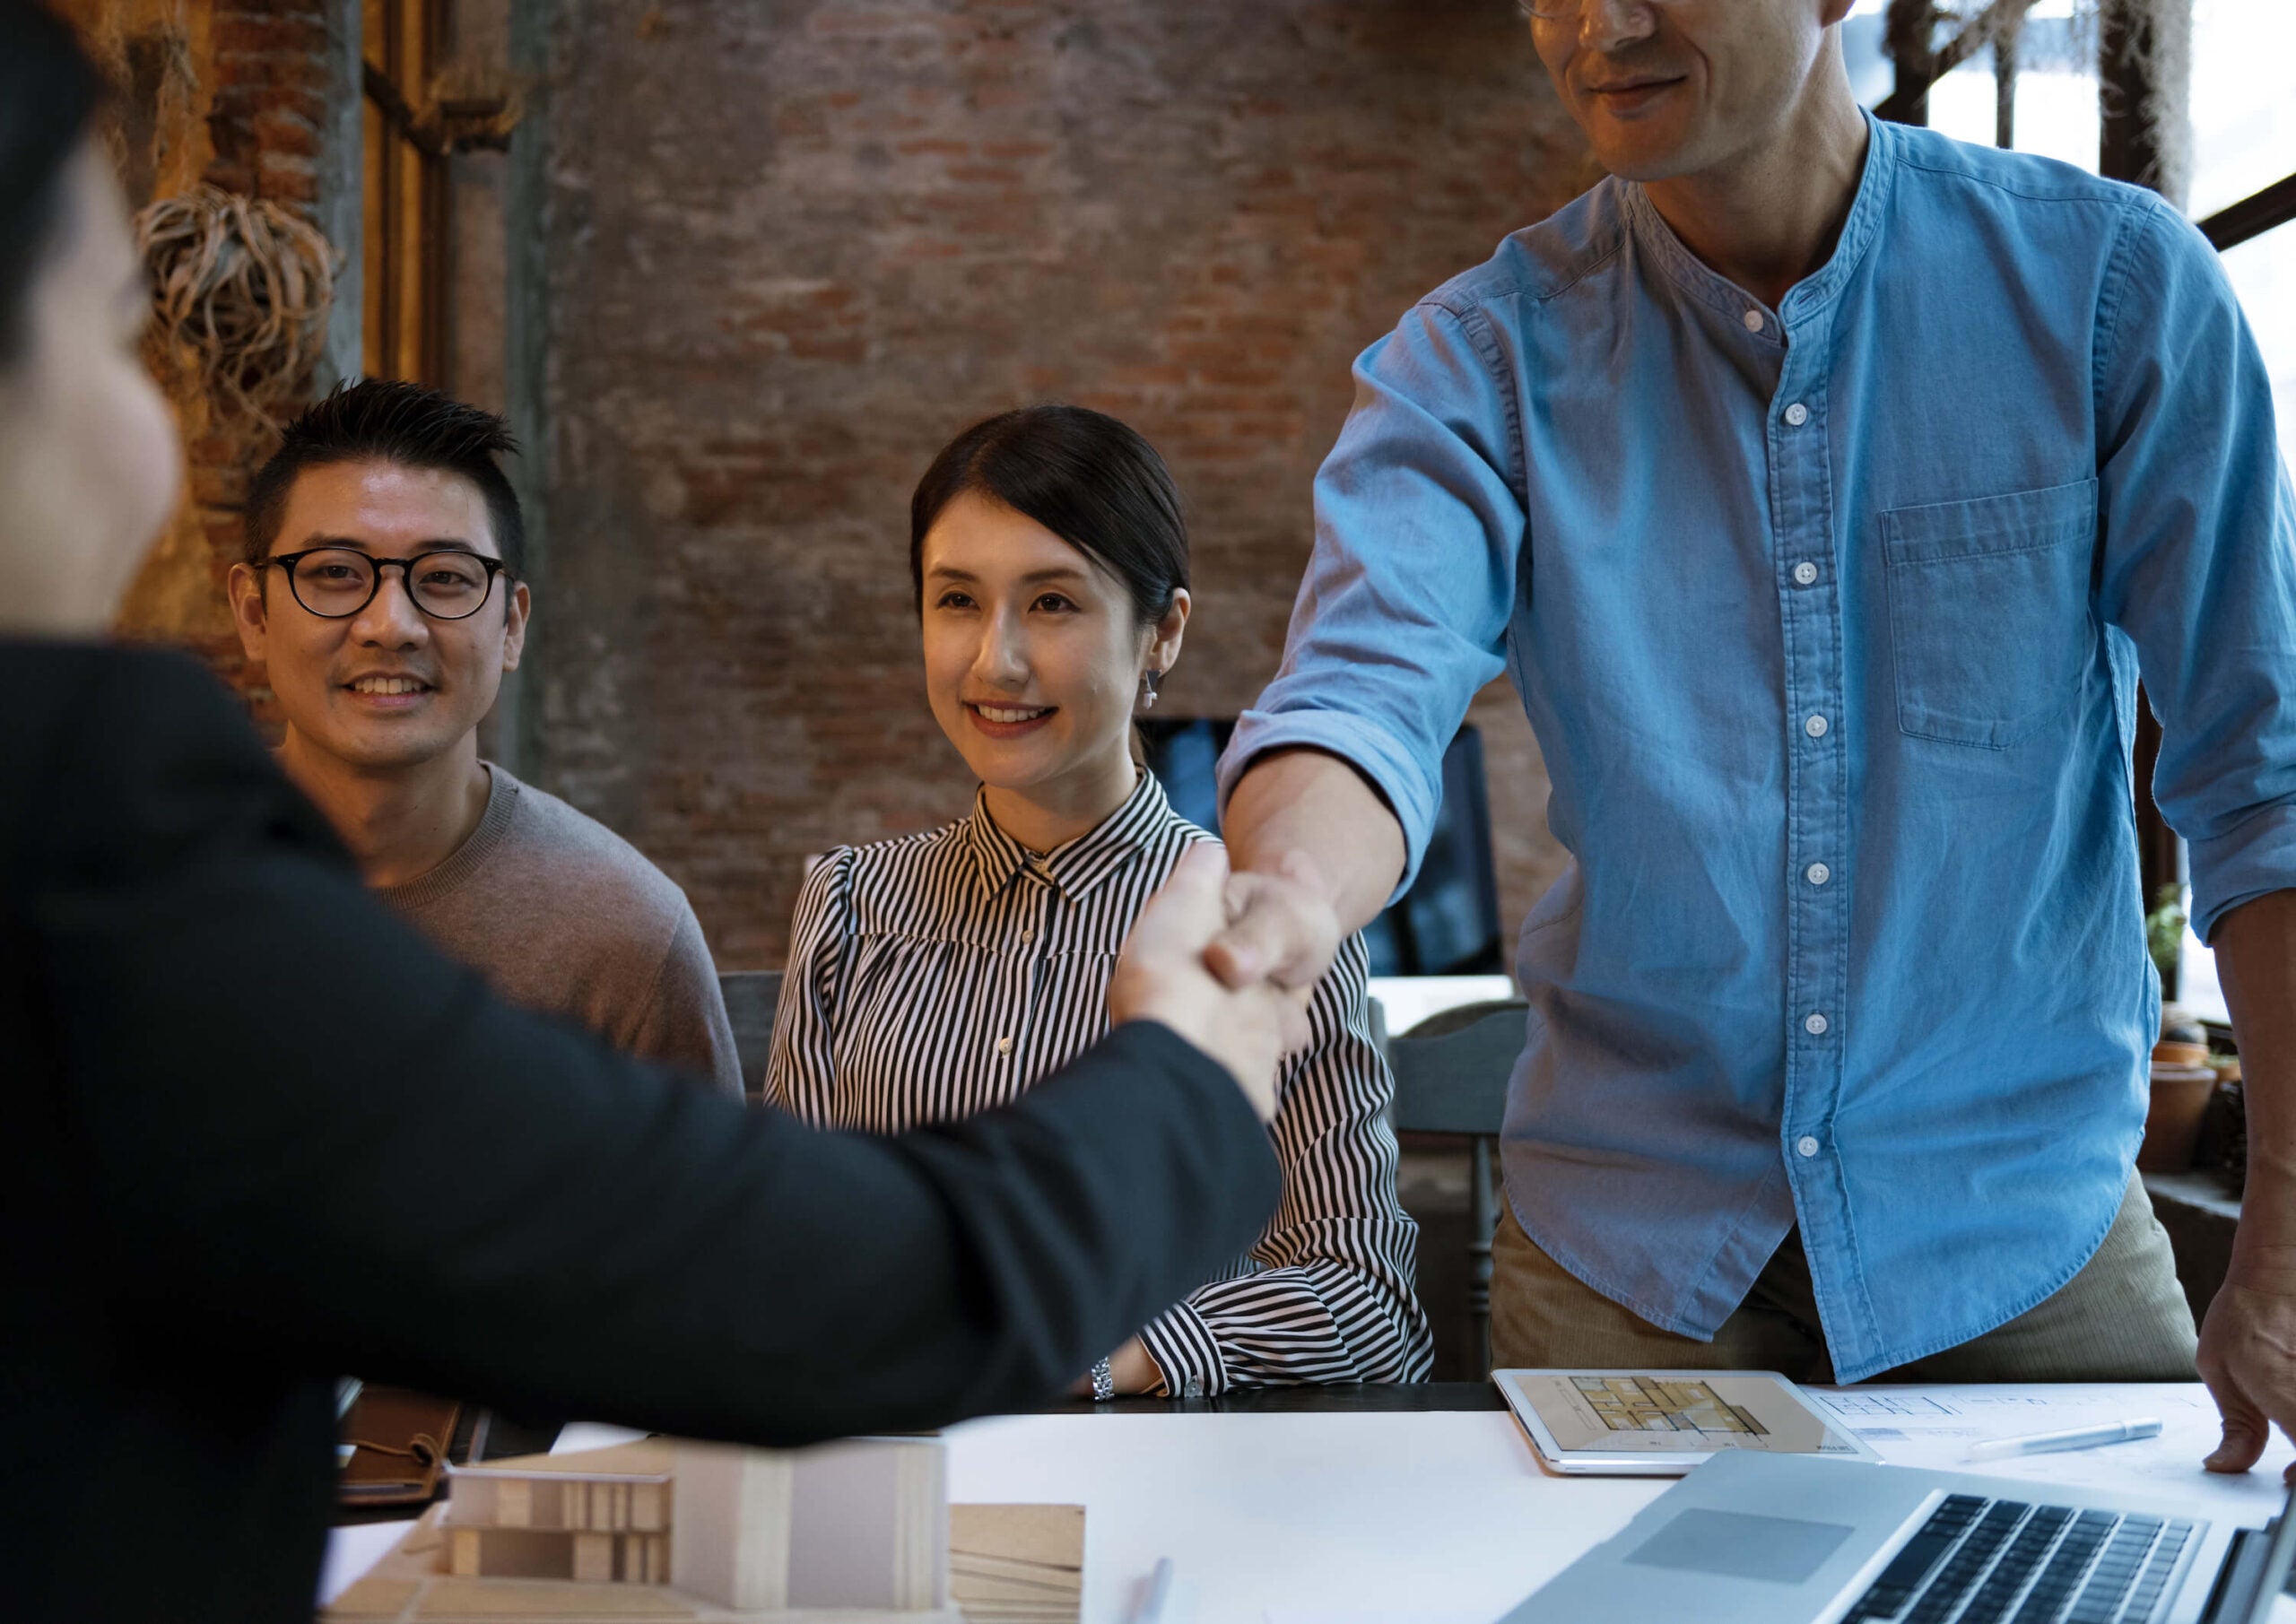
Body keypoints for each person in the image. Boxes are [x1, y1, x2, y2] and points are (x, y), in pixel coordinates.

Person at [0, 9, 1300, 1619]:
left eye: (1055, 601)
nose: (153, 439)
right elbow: (832, 1286)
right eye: (110, 335)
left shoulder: (602, 917)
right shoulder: (109, 866)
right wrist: (1189, 1074)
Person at [1205, 0, 2296, 1470]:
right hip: (1632, 1258)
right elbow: (1361, 694)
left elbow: (2264, 778)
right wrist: (1282, 899)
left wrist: (2282, 1217)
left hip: (2018, 1230)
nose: (1607, 24)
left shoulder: (2110, 291)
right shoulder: (1475, 361)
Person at [766, 404, 1432, 1396]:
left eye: (1052, 603)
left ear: (1162, 631)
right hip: (907, 1477)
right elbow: (792, 1255)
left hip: (1163, 1487)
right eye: (956, 601)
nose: (996, 660)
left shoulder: (1261, 922)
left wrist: (1102, 1360)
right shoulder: (849, 902)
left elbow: (1371, 1306)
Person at [228, 380, 742, 1094]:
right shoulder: (136, 889)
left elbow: (697, 1206)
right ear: (254, 615)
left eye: (444, 578)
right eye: (337, 573)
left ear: (511, 625)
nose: (390, 625)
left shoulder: (625, 936)